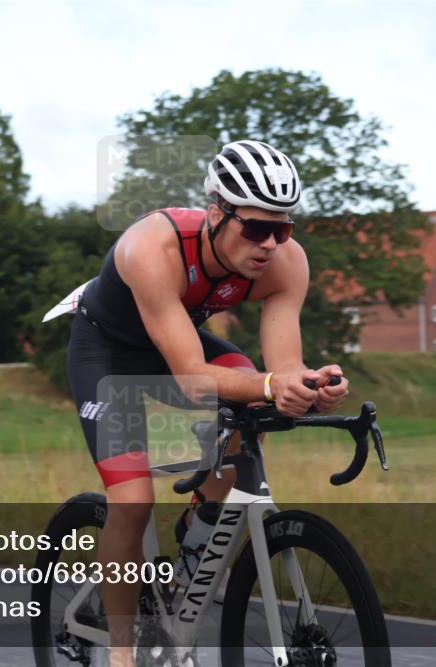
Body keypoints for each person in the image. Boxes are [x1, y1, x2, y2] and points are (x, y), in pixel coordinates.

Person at [63, 139, 350, 666]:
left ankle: (198, 526)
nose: (270, 243)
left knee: (253, 406)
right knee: (132, 502)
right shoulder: (153, 248)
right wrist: (270, 386)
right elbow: (195, 380)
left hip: (179, 344)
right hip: (107, 355)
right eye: (256, 227)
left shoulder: (285, 262)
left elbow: (280, 367)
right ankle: (123, 655)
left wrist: (309, 385)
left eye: (282, 228)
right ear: (216, 213)